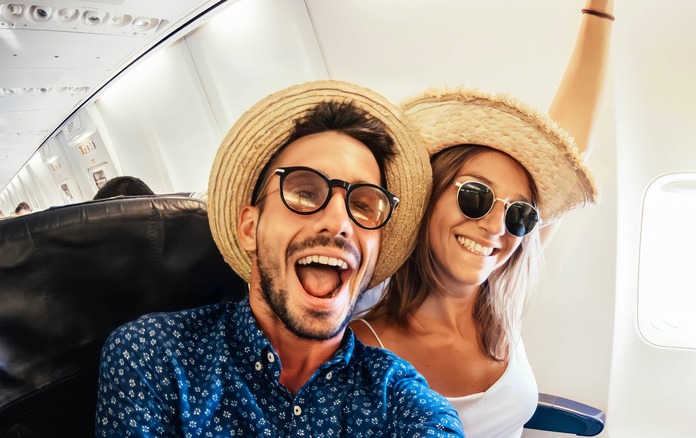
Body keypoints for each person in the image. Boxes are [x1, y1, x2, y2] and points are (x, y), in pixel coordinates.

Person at [95, 81, 463, 436]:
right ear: (249, 228)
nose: (340, 223)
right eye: (304, 193)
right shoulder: (154, 355)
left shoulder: (397, 396)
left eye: (363, 205)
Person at [351, 2, 613, 436]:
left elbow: (572, 144)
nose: (496, 226)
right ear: (429, 196)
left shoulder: (498, 303)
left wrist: (599, 11)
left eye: (519, 213)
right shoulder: (364, 348)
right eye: (476, 196)